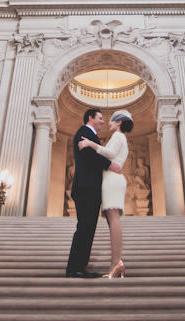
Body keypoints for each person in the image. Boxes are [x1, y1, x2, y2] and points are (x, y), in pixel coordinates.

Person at [65, 108, 122, 278]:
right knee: (84, 228)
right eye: (100, 118)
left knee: (88, 228)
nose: (103, 122)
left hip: (90, 189)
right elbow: (89, 155)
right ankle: (74, 268)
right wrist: (109, 165)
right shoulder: (83, 132)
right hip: (86, 188)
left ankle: (80, 267)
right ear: (90, 118)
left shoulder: (90, 136)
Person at [78, 109, 133, 278]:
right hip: (111, 179)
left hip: (112, 180)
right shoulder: (118, 137)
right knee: (111, 220)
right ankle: (116, 263)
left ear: (119, 123)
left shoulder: (118, 136)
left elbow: (109, 154)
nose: (108, 123)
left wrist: (90, 144)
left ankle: (116, 263)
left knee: (113, 218)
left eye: (112, 120)